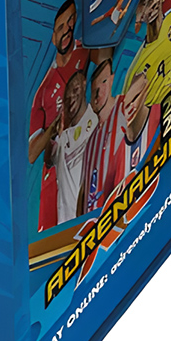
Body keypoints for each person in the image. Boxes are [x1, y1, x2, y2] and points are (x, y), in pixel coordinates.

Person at [29, 0, 88, 231]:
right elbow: (32, 153)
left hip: (85, 151)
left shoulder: (86, 50)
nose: (68, 29)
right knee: (57, 233)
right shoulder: (43, 91)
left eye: (71, 21)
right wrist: (53, 127)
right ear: (53, 37)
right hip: (57, 172)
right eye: (61, 26)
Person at [83, 58, 153, 213]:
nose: (98, 93)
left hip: (132, 202)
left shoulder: (125, 105)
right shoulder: (91, 142)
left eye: (104, 82)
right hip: (99, 218)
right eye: (94, 89)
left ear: (112, 81)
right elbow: (84, 191)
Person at [52, 67, 100, 225]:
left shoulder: (97, 122)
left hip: (91, 222)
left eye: (76, 88)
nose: (71, 96)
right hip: (66, 229)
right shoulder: (63, 138)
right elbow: (43, 158)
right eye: (67, 94)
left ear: (84, 83)